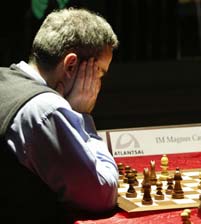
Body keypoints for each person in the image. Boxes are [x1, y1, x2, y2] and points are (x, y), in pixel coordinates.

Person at [0, 8, 119, 223]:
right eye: (98, 73)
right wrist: (82, 115)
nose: (98, 86)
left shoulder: (5, 77)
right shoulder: (46, 109)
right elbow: (101, 194)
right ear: (71, 65)